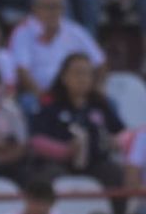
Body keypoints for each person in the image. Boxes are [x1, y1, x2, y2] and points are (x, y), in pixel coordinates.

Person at [29, 52, 125, 188]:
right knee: (48, 175)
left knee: (114, 172)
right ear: (64, 76)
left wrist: (115, 141)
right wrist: (65, 150)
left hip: (95, 163)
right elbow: (36, 140)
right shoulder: (49, 104)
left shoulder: (100, 105)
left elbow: (122, 132)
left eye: (87, 74)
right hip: (58, 164)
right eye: (78, 73)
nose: (83, 79)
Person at [10, 0, 106, 103]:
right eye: (48, 7)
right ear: (35, 8)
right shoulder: (23, 32)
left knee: (108, 103)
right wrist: (44, 98)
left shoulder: (74, 31)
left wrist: (96, 88)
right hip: (40, 94)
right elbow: (22, 71)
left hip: (75, 96)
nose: (53, 12)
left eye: (57, 7)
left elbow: (100, 63)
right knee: (28, 102)